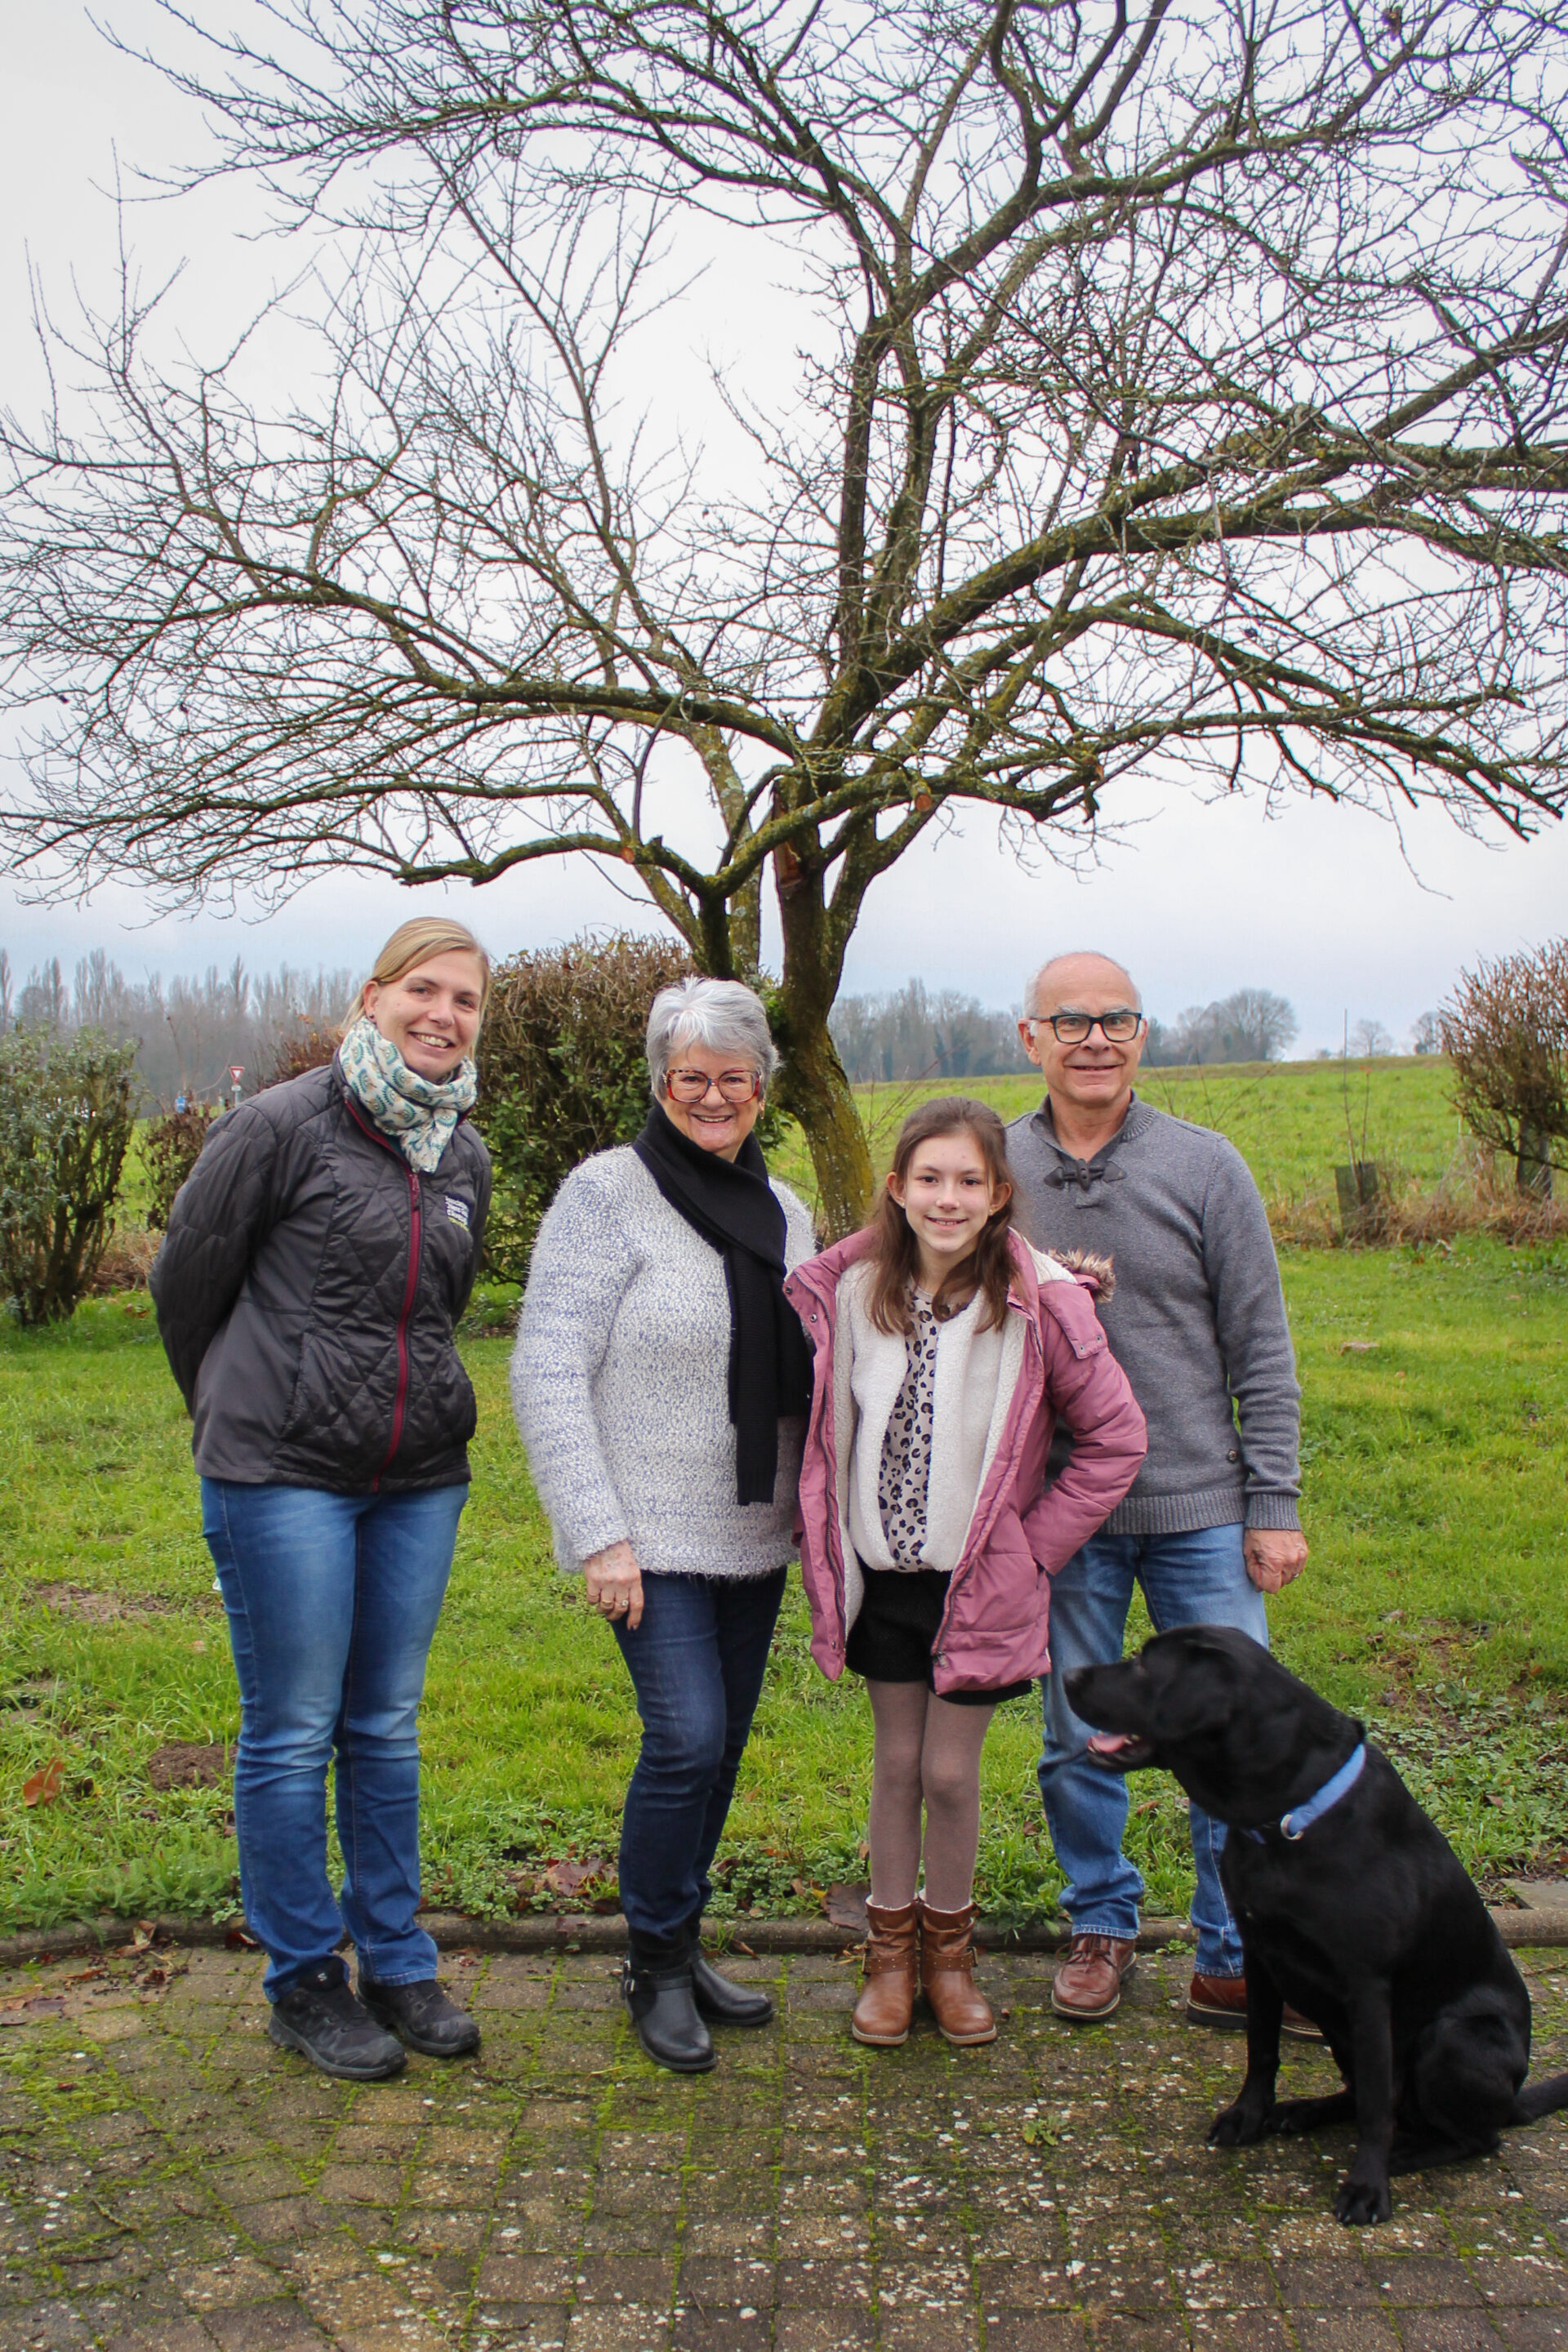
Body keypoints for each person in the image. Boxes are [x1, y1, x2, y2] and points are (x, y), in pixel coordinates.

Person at [151, 918, 494, 2081]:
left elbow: (435, 1312)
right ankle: (305, 1976)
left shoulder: (463, 1155)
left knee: (385, 1725)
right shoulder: (281, 1125)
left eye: (465, 1000)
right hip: (281, 1474)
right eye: (424, 991)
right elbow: (186, 1284)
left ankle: (396, 1959)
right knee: (293, 1730)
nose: (443, 1015)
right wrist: (240, 1412)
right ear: (372, 996)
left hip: (416, 1481)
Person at [787, 1098, 1146, 2050]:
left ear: (999, 1196)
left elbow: (1115, 1438)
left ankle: (951, 1959)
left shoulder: (1040, 1300)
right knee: (896, 1764)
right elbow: (825, 1429)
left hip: (979, 1581)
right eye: (930, 1179)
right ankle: (889, 1959)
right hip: (885, 1581)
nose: (948, 1199)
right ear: (898, 1189)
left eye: (970, 1182)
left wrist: (1032, 1550)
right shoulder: (855, 1289)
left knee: (951, 1774)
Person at [511, 977, 814, 2075]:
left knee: (723, 1745)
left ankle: (682, 1945)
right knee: (684, 1738)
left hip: (756, 1523)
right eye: (695, 1078)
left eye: (737, 1078)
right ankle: (649, 1962)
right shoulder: (607, 1195)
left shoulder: (788, 1211)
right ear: (660, 1081)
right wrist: (598, 1533)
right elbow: (547, 1366)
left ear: (761, 1086)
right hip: (646, 1534)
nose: (716, 1096)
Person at [1007, 950, 1312, 2030]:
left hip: (1203, 1512)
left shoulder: (1205, 1164)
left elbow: (1260, 1346)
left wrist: (1272, 1503)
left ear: (1144, 1035)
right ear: (1029, 1037)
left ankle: (1236, 1953)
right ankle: (1101, 1923)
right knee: (1073, 1735)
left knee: (1235, 1741)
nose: (1096, 1038)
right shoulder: (993, 1169)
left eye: (1118, 1020)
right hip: (1062, 1516)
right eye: (1072, 1020)